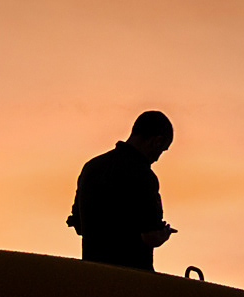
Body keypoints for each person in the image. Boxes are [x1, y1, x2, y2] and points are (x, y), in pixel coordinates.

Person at [68, 110, 175, 270]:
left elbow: (78, 225)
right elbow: (149, 235)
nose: (158, 158)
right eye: (161, 150)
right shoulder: (144, 176)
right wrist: (162, 235)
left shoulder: (91, 167)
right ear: (156, 142)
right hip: (130, 280)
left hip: (93, 275)